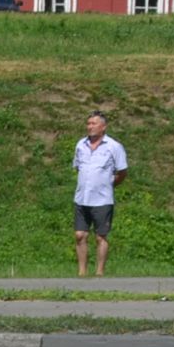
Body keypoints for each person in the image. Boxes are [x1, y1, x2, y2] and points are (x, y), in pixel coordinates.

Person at [72, 109, 129, 277]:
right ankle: (82, 273)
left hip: (102, 199)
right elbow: (78, 168)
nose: (90, 127)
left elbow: (122, 172)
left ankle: (99, 272)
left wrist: (109, 185)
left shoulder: (114, 146)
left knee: (100, 237)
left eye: (93, 124)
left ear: (103, 127)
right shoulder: (80, 145)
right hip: (82, 198)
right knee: (80, 235)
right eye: (88, 123)